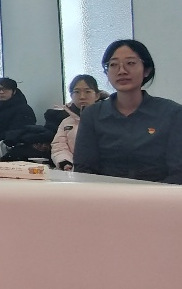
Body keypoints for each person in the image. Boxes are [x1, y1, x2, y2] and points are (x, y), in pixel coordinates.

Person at [74, 40, 182, 183]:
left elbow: (178, 171)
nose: (122, 71)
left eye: (130, 63)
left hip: (160, 194)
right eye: (113, 65)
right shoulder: (92, 115)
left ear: (146, 70)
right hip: (105, 193)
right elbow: (84, 170)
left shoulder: (172, 113)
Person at [50, 75, 103, 171]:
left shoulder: (107, 118)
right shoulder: (66, 122)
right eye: (77, 92)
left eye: (87, 91)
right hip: (74, 171)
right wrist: (65, 162)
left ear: (97, 95)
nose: (82, 97)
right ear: (71, 96)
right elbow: (59, 146)